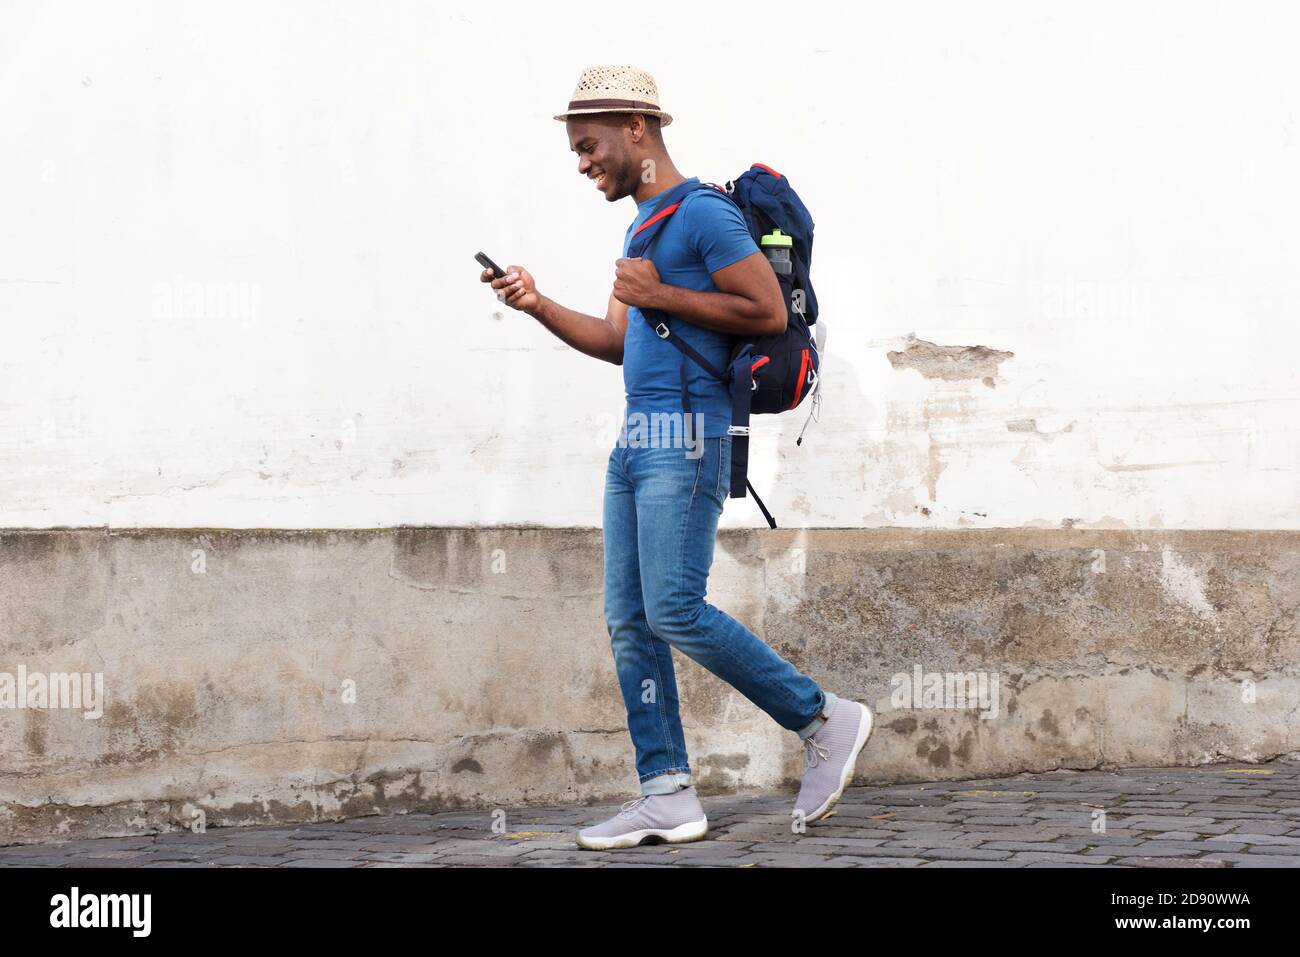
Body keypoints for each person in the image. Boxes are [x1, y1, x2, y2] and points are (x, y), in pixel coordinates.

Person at [480, 64, 874, 850]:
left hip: (687, 434)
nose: (582, 161)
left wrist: (662, 295)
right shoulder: (641, 227)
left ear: (638, 127)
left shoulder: (702, 216)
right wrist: (537, 302)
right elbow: (615, 341)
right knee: (631, 621)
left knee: (674, 608)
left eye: (589, 144)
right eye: (574, 149)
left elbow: (763, 308)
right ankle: (667, 794)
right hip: (636, 438)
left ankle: (825, 717)